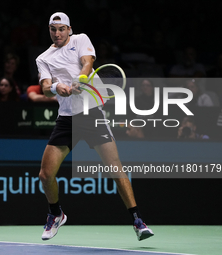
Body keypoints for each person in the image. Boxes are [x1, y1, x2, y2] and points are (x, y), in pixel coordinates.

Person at [36, 12, 153, 242]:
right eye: (53, 29)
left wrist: (80, 78)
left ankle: (138, 220)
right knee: (45, 174)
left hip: (91, 114)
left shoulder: (81, 40)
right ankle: (55, 214)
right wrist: (57, 87)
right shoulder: (44, 58)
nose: (57, 33)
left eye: (61, 29)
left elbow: (88, 62)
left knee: (115, 169)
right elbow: (44, 86)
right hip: (67, 118)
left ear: (69, 29)